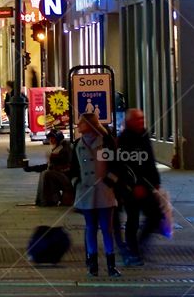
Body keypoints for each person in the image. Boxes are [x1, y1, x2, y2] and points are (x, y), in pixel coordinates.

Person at [70, 112, 120, 278]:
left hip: (104, 191)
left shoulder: (106, 142)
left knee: (106, 228)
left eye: (81, 123)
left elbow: (116, 164)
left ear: (89, 125)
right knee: (90, 228)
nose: (78, 125)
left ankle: (111, 265)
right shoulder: (77, 144)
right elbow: (73, 167)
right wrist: (76, 182)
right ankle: (92, 265)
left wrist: (110, 181)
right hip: (86, 191)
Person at [117, 109, 163, 265]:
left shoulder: (144, 135)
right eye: (137, 119)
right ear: (129, 122)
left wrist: (155, 181)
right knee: (133, 220)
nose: (141, 122)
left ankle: (139, 244)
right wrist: (134, 185)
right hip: (131, 188)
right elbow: (124, 166)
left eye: (142, 118)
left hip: (147, 185)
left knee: (155, 216)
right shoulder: (124, 139)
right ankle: (133, 251)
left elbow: (150, 160)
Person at [27, 129, 73, 208]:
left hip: (67, 176)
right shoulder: (57, 148)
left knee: (47, 174)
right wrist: (32, 168)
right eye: (50, 138)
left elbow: (64, 164)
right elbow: (49, 165)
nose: (51, 140)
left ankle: (49, 200)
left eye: (53, 138)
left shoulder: (64, 148)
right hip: (60, 173)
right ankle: (43, 200)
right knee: (44, 173)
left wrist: (52, 160)